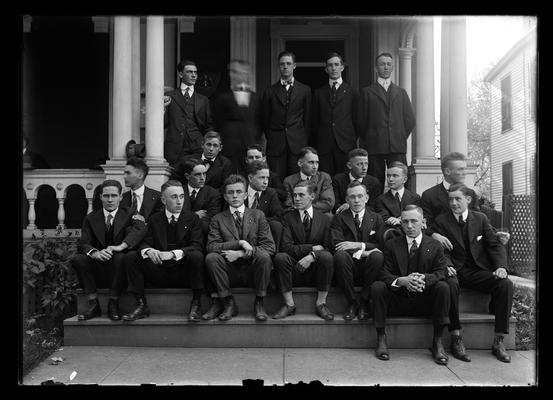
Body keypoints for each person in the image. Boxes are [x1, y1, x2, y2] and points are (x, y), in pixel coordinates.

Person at [433, 183, 514, 363]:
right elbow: (440, 250)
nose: (453, 203)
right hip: (455, 270)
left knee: (505, 283)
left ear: (468, 200)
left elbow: (494, 245)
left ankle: (499, 340)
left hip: (478, 271)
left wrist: (501, 267)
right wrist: (446, 265)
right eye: (451, 199)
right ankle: (456, 337)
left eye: (458, 199)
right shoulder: (441, 221)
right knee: (450, 284)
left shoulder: (481, 218)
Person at [371, 205, 450, 364]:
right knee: (377, 287)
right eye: (405, 221)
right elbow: (384, 273)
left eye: (414, 221)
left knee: (443, 287)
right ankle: (381, 339)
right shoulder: (392, 245)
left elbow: (441, 271)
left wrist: (424, 279)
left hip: (425, 301)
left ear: (423, 222)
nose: (409, 226)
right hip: (398, 300)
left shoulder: (434, 245)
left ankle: (437, 342)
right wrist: (402, 281)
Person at [123, 180, 205, 322]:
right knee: (131, 257)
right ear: (163, 199)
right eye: (174, 197)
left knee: (196, 256)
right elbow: (144, 242)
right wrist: (148, 250)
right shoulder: (155, 219)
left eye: (181, 196)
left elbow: (197, 245)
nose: (179, 201)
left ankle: (196, 303)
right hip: (159, 270)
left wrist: (173, 254)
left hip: (183, 272)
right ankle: (141, 304)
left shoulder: (192, 218)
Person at [71, 180, 147, 321]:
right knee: (78, 259)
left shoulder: (130, 213)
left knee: (121, 257)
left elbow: (140, 229)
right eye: (106, 196)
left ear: (121, 197)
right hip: (98, 265)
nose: (110, 199)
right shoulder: (91, 218)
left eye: (114, 195)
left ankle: (113, 303)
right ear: (100, 197)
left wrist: (120, 247)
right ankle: (94, 304)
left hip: (119, 267)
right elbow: (84, 243)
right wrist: (95, 253)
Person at [204, 174, 276, 321]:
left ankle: (259, 303)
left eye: (238, 192)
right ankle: (228, 302)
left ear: (245, 195)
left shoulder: (258, 215)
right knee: (211, 258)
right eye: (230, 193)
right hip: (229, 271)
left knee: (264, 256)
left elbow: (269, 247)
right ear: (225, 197)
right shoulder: (217, 219)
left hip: (254, 270)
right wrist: (239, 243)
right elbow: (212, 246)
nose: (235, 196)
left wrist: (241, 254)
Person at [273, 181, 335, 321]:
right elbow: (287, 247)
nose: (297, 198)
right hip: (295, 267)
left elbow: (328, 247)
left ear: (312, 196)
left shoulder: (325, 219)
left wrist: (312, 256)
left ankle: (321, 303)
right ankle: (289, 304)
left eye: (301, 195)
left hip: (317, 268)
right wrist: (312, 248)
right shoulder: (287, 218)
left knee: (326, 257)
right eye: (295, 195)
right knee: (281, 257)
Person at [420, 152, 509, 248]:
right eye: (460, 169)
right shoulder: (429, 195)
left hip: (469, 248)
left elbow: (477, 219)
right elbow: (425, 224)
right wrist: (433, 235)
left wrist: (495, 233)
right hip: (444, 248)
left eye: (464, 169)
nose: (465, 172)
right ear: (447, 171)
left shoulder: (470, 194)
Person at [330, 181, 385, 321]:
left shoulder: (376, 218)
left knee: (377, 256)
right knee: (340, 256)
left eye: (360, 196)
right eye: (352, 197)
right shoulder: (339, 219)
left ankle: (364, 302)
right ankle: (352, 302)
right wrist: (364, 251)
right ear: (347, 199)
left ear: (366, 198)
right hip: (347, 266)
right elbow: (337, 244)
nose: (356, 200)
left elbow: (381, 244)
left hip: (370, 265)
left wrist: (357, 246)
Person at [360, 52, 416, 188]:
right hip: (374, 145)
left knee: (400, 182)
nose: (385, 67)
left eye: (388, 64)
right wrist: (369, 137)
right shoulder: (366, 92)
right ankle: (374, 208)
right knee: (374, 183)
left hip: (397, 145)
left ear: (392, 67)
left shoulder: (400, 92)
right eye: (382, 64)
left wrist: (400, 135)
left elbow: (410, 120)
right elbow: (360, 121)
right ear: (376, 68)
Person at [262, 51, 312, 178]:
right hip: (276, 143)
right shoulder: (270, 91)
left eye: (288, 63)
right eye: (282, 64)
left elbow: (308, 119)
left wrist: (301, 137)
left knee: (298, 180)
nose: (285, 67)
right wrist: (273, 136)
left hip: (297, 143)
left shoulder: (305, 90)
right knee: (276, 179)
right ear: (279, 66)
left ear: (294, 65)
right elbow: (265, 119)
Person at [311, 52, 360, 176]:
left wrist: (352, 137)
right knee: (326, 180)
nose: (333, 68)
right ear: (326, 69)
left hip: (345, 144)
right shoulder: (318, 93)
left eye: (336, 64)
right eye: (330, 65)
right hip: (324, 144)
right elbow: (314, 120)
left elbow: (357, 119)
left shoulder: (352, 92)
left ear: (342, 67)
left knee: (345, 180)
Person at [211, 59, 262, 174]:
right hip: (229, 146)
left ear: (246, 73)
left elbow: (259, 123)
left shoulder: (256, 98)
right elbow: (217, 122)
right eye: (232, 71)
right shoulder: (222, 97)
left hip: (250, 145)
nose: (233, 74)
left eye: (237, 71)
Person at [164, 59, 213, 166]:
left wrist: (207, 145)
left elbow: (208, 125)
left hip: (197, 148)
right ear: (180, 74)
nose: (194, 75)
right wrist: (163, 108)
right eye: (190, 72)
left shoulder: (203, 100)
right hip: (175, 148)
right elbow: (162, 123)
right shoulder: (169, 96)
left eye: (195, 72)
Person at [375, 161, 420, 240]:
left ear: (404, 179)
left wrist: (399, 220)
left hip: (412, 236)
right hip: (392, 236)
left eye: (395, 176)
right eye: (388, 176)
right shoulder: (381, 199)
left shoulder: (415, 198)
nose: (390, 179)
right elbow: (384, 218)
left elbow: (417, 217)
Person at [245, 160, 285, 250]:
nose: (265, 182)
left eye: (267, 178)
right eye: (262, 178)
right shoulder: (240, 190)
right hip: (240, 228)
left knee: (276, 225)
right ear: (250, 178)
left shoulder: (271, 193)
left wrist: (257, 221)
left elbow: (279, 216)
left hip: (262, 229)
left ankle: (273, 256)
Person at [283, 147, 335, 214]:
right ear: (300, 163)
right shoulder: (289, 181)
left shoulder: (324, 178)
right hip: (298, 216)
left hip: (319, 215)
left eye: (317, 163)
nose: (315, 166)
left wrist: (305, 209)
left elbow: (328, 203)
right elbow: (288, 206)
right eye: (311, 162)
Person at [180, 158, 222, 237]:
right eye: (198, 174)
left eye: (204, 174)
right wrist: (194, 215)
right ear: (187, 176)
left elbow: (212, 220)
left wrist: (184, 218)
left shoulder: (213, 193)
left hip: (202, 236)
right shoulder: (178, 191)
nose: (202, 178)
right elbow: (172, 216)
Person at [332, 148, 382, 213]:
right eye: (359, 164)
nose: (364, 168)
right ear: (349, 165)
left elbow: (374, 207)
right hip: (343, 216)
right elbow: (335, 205)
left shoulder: (374, 182)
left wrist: (352, 207)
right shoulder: (338, 180)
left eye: (366, 163)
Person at [121, 157, 163, 221]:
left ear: (140, 175)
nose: (124, 176)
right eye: (124, 173)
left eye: (128, 173)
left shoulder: (158, 198)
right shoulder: (121, 198)